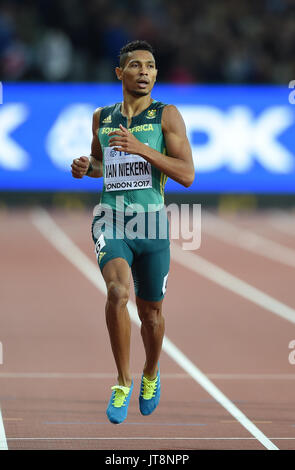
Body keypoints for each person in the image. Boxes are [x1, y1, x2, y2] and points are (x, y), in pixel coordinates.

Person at [71, 40, 194, 424]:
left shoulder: (166, 116)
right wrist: (85, 166)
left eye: (151, 66)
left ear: (156, 74)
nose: (145, 71)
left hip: (152, 223)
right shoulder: (102, 117)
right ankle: (123, 381)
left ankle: (151, 373)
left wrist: (143, 149)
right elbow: (100, 162)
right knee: (117, 292)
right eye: (136, 65)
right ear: (119, 73)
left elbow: (187, 175)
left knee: (152, 315)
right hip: (112, 218)